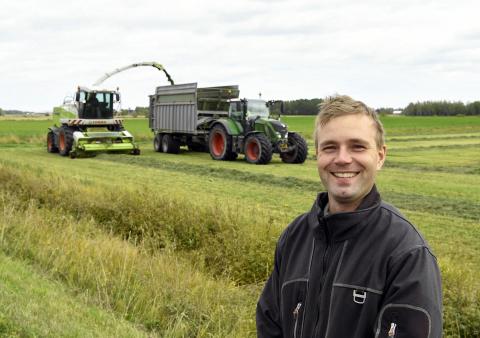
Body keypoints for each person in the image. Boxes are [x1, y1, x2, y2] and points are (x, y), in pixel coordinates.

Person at [256, 95, 442, 338]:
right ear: (318, 155)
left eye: (358, 146)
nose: (342, 158)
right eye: (330, 147)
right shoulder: (295, 237)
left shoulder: (407, 253)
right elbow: (270, 324)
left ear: (380, 156)